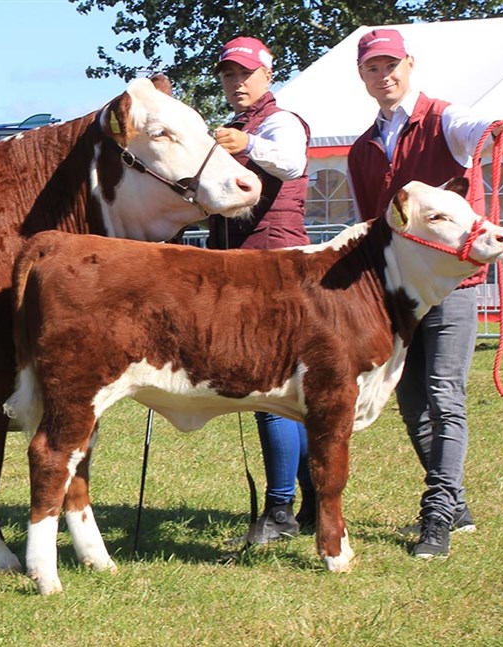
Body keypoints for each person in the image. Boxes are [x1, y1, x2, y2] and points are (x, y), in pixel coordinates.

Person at [347, 28, 503, 559]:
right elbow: (370, 225)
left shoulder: (444, 119)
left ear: (410, 64)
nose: (385, 76)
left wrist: (497, 127)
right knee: (408, 397)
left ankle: (439, 512)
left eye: (391, 65)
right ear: (363, 76)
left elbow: (476, 128)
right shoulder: (361, 150)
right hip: (400, 294)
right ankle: (456, 501)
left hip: (454, 283)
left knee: (445, 393)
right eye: (373, 68)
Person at [208, 36, 316, 545]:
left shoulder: (280, 122)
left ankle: (280, 512)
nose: (237, 83)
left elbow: (290, 163)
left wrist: (245, 145)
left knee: (270, 392)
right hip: (249, 271)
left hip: (275, 273)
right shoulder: (237, 129)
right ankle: (310, 500)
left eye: (245, 74)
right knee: (286, 394)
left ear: (267, 75)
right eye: (229, 75)